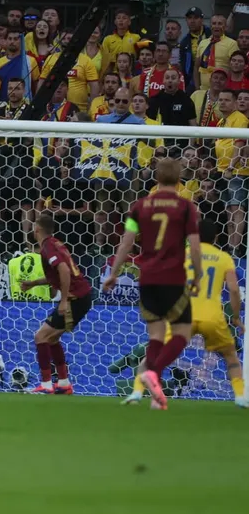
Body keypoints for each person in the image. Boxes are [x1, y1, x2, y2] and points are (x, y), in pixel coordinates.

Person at [103, 158, 203, 411]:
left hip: (147, 278)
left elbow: (126, 243)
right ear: (179, 179)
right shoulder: (186, 207)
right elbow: (194, 244)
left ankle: (155, 394)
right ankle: (154, 371)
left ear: (156, 178)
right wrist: (198, 275)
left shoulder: (139, 206)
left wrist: (113, 273)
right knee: (182, 333)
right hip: (173, 278)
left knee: (156, 335)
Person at [122, 220, 245, 407]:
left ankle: (137, 392)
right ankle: (240, 397)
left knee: (157, 354)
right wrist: (235, 317)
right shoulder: (223, 258)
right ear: (216, 237)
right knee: (230, 356)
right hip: (212, 317)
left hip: (183, 316)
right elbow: (234, 290)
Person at [15, 212, 95, 394]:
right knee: (51, 338)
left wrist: (64, 300)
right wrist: (33, 283)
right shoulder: (55, 243)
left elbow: (64, 270)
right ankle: (64, 383)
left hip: (75, 299)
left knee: (40, 337)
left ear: (36, 229)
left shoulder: (47, 247)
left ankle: (46, 385)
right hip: (81, 296)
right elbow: (57, 274)